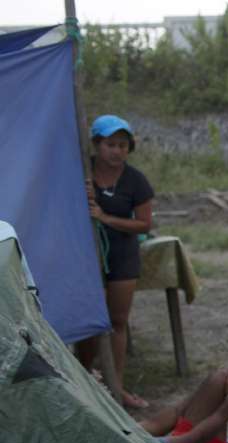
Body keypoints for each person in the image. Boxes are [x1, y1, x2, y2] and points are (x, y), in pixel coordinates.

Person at [76, 115, 154, 409]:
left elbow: (144, 224)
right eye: (110, 144)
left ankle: (116, 386)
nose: (117, 151)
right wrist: (80, 197)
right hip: (85, 254)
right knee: (89, 319)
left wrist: (105, 217)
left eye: (123, 145)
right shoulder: (80, 173)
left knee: (117, 321)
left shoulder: (136, 180)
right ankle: (83, 378)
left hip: (122, 254)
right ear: (97, 145)